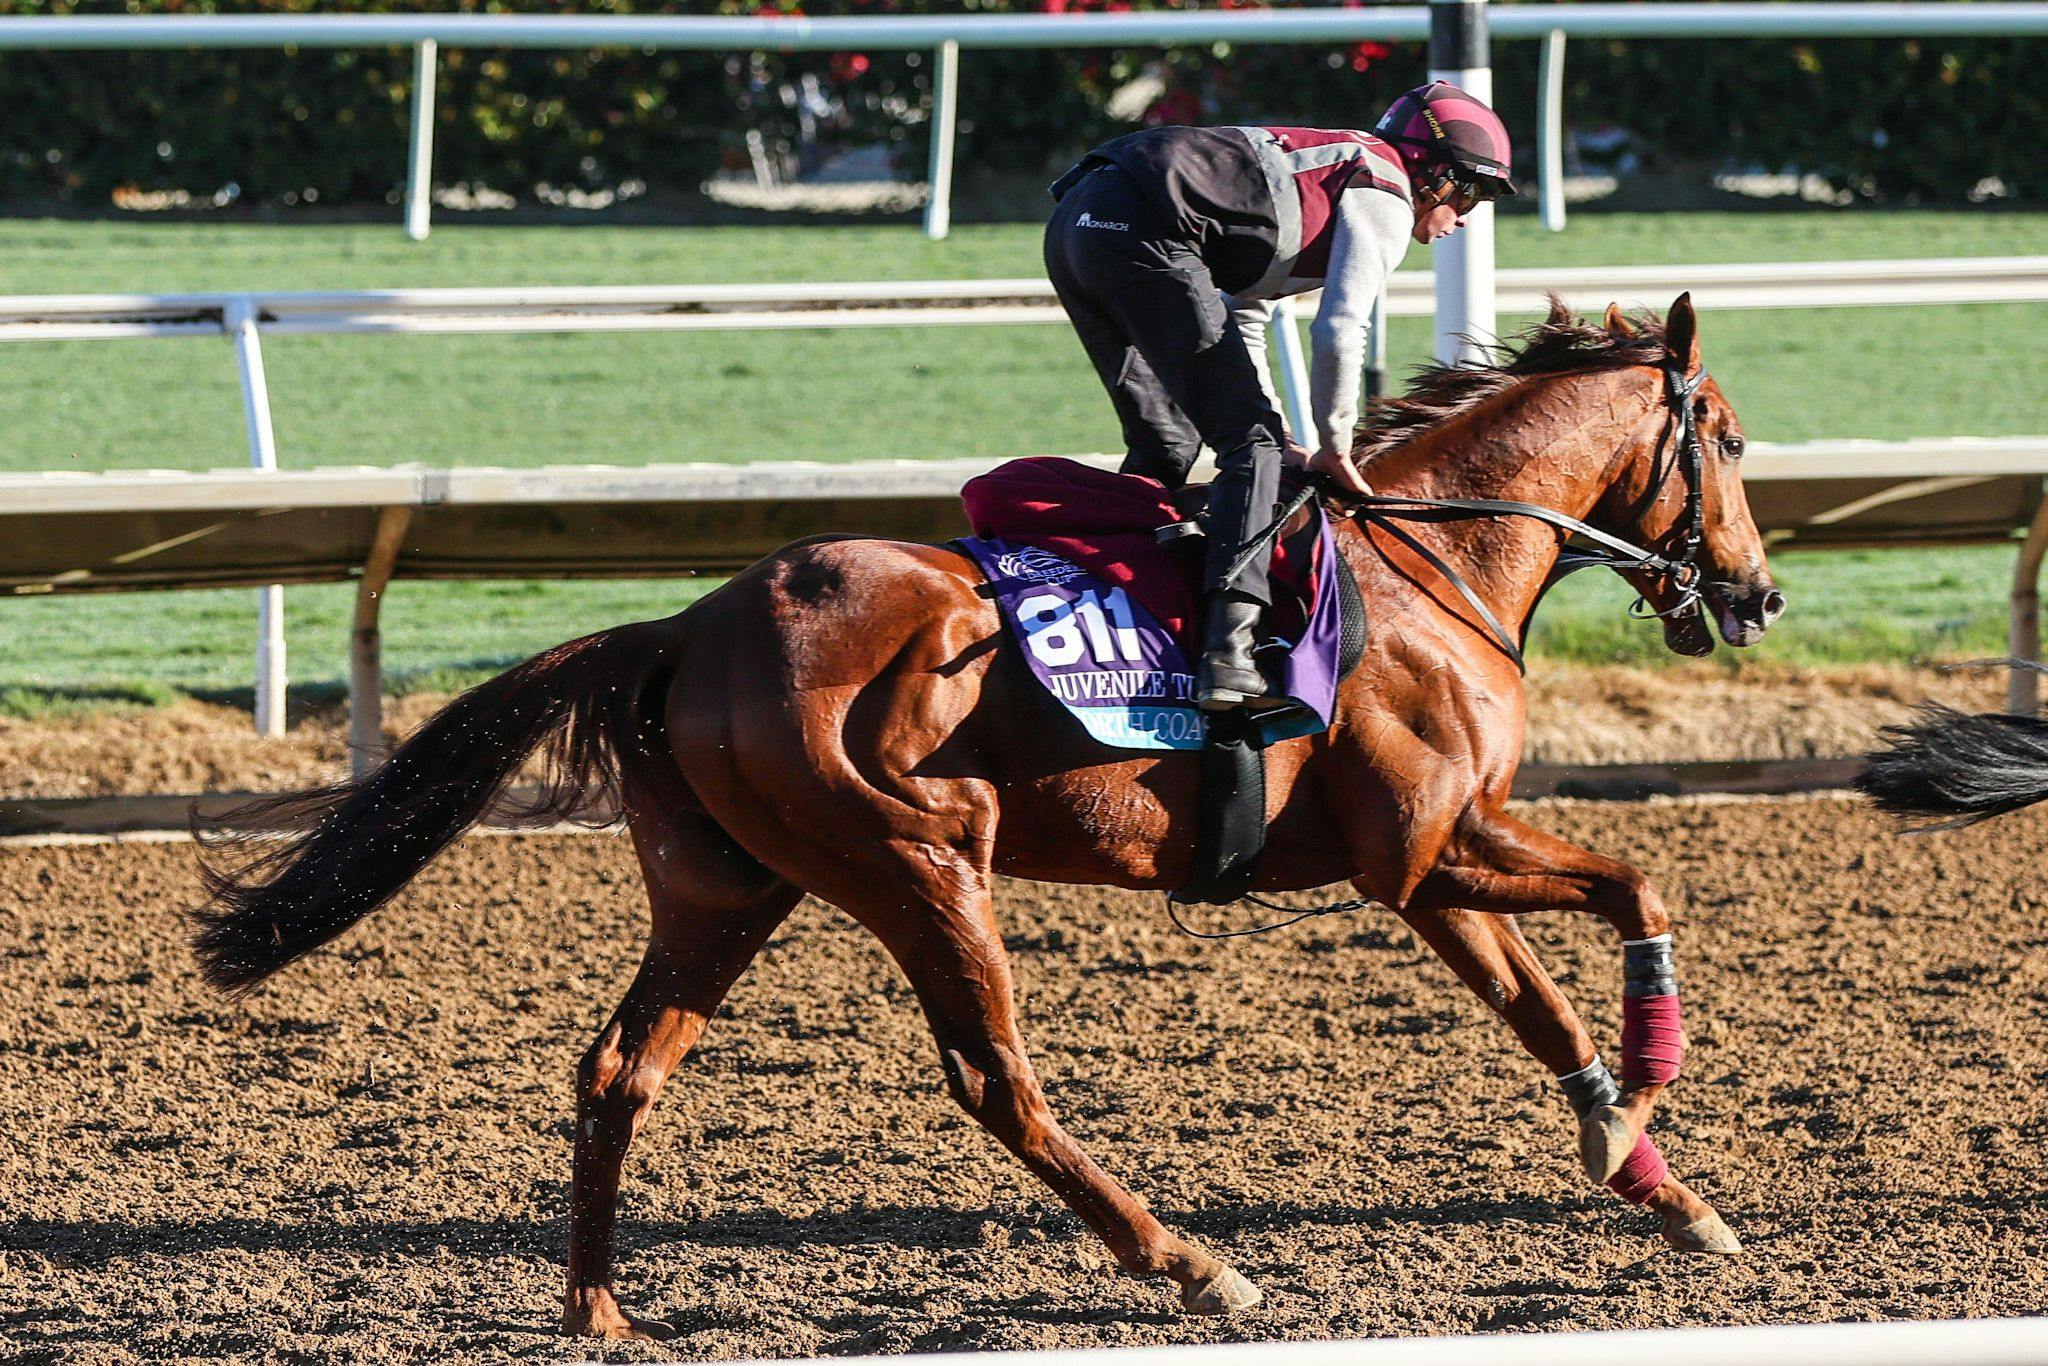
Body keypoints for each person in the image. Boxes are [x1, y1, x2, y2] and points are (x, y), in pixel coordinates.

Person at [1043, 82, 1515, 709]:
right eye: (1472, 195)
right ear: (1434, 174)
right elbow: (1342, 327)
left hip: (1080, 222)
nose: (1464, 221)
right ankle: (1228, 657)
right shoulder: (1387, 189)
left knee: (1170, 440)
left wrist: (1287, 437)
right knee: (1252, 446)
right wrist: (1333, 444)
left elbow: (1241, 317)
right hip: (1140, 227)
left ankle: (1099, 605)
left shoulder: (1311, 186)